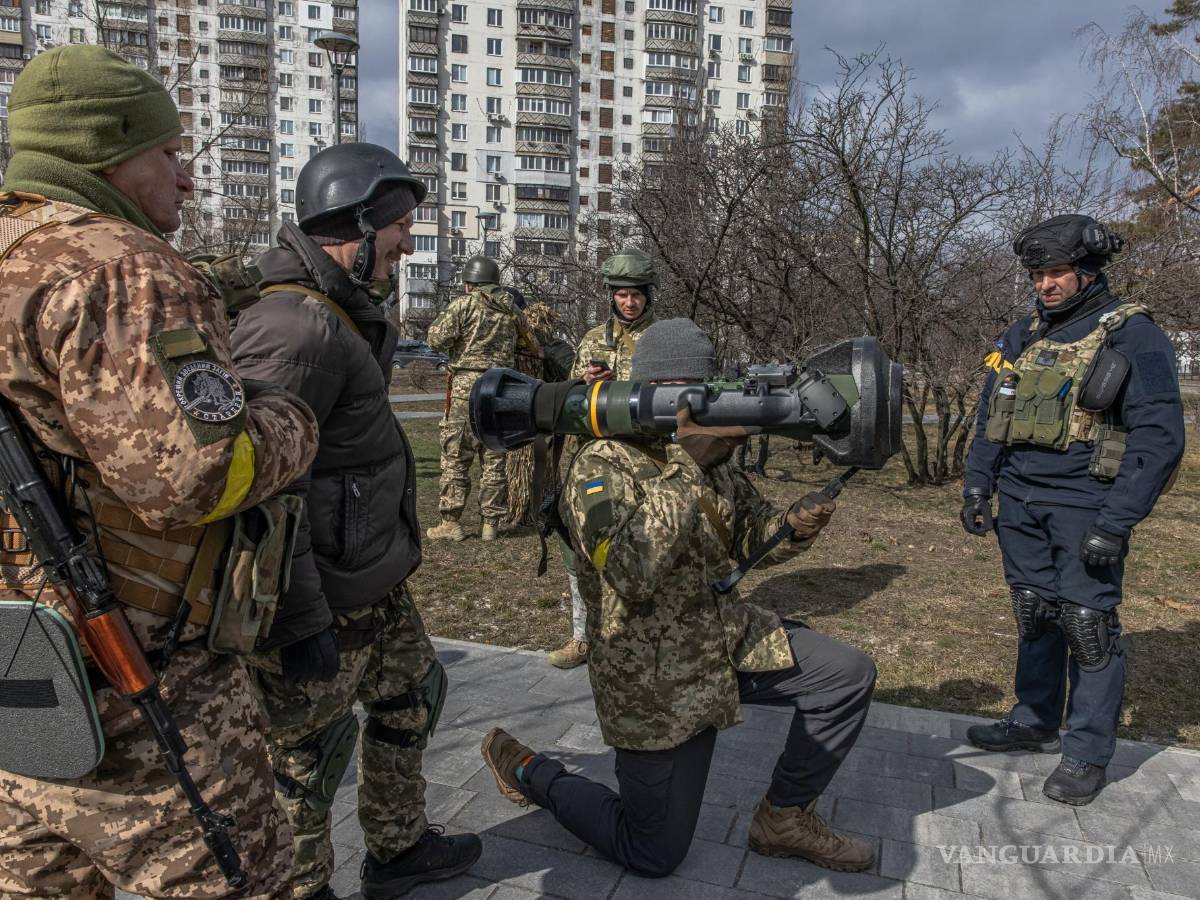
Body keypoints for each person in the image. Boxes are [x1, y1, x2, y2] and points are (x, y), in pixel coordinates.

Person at [0, 46, 319, 898]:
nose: (185, 181)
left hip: (20, 672)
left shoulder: (16, 254)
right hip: (138, 686)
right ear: (106, 152)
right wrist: (288, 419)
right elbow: (192, 480)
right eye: (170, 156)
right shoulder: (121, 268)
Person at [481, 319, 878, 878]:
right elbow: (632, 571)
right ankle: (529, 769)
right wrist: (690, 464)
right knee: (654, 852)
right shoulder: (600, 465)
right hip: (654, 678)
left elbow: (745, 535)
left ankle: (784, 818)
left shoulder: (710, 456)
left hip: (725, 639)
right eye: (681, 393)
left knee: (845, 674)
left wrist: (791, 524)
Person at [229, 143, 481, 900]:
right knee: (305, 759)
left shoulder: (338, 310)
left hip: (372, 582)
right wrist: (299, 622)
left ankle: (398, 848)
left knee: (412, 695)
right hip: (321, 603)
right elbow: (264, 493)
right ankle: (299, 888)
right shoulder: (294, 330)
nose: (409, 241)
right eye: (402, 225)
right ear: (359, 222)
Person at [961, 215, 1185, 806]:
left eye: (1056, 272)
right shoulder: (1021, 336)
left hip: (1087, 502)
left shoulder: (1132, 336)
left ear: (1087, 273)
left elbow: (1160, 438)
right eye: (1037, 274)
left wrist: (1117, 521)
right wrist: (977, 486)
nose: (1045, 284)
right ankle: (1033, 719)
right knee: (1033, 611)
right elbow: (992, 416)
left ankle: (1086, 751)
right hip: (1022, 501)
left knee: (1089, 625)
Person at [547, 248, 658, 669]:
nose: (628, 303)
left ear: (648, 296)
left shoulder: (661, 340)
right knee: (579, 548)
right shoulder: (595, 338)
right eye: (621, 295)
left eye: (636, 295)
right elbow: (573, 397)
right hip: (591, 455)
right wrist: (585, 382)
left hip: (641, 458)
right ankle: (583, 636)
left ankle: (634, 638)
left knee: (637, 549)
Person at [426, 256, 535, 542]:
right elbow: (530, 344)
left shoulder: (464, 304)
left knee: (456, 456)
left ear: (469, 284)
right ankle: (491, 523)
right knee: (495, 456)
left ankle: (451, 521)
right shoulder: (512, 309)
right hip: (501, 388)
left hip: (466, 386)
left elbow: (436, 339)